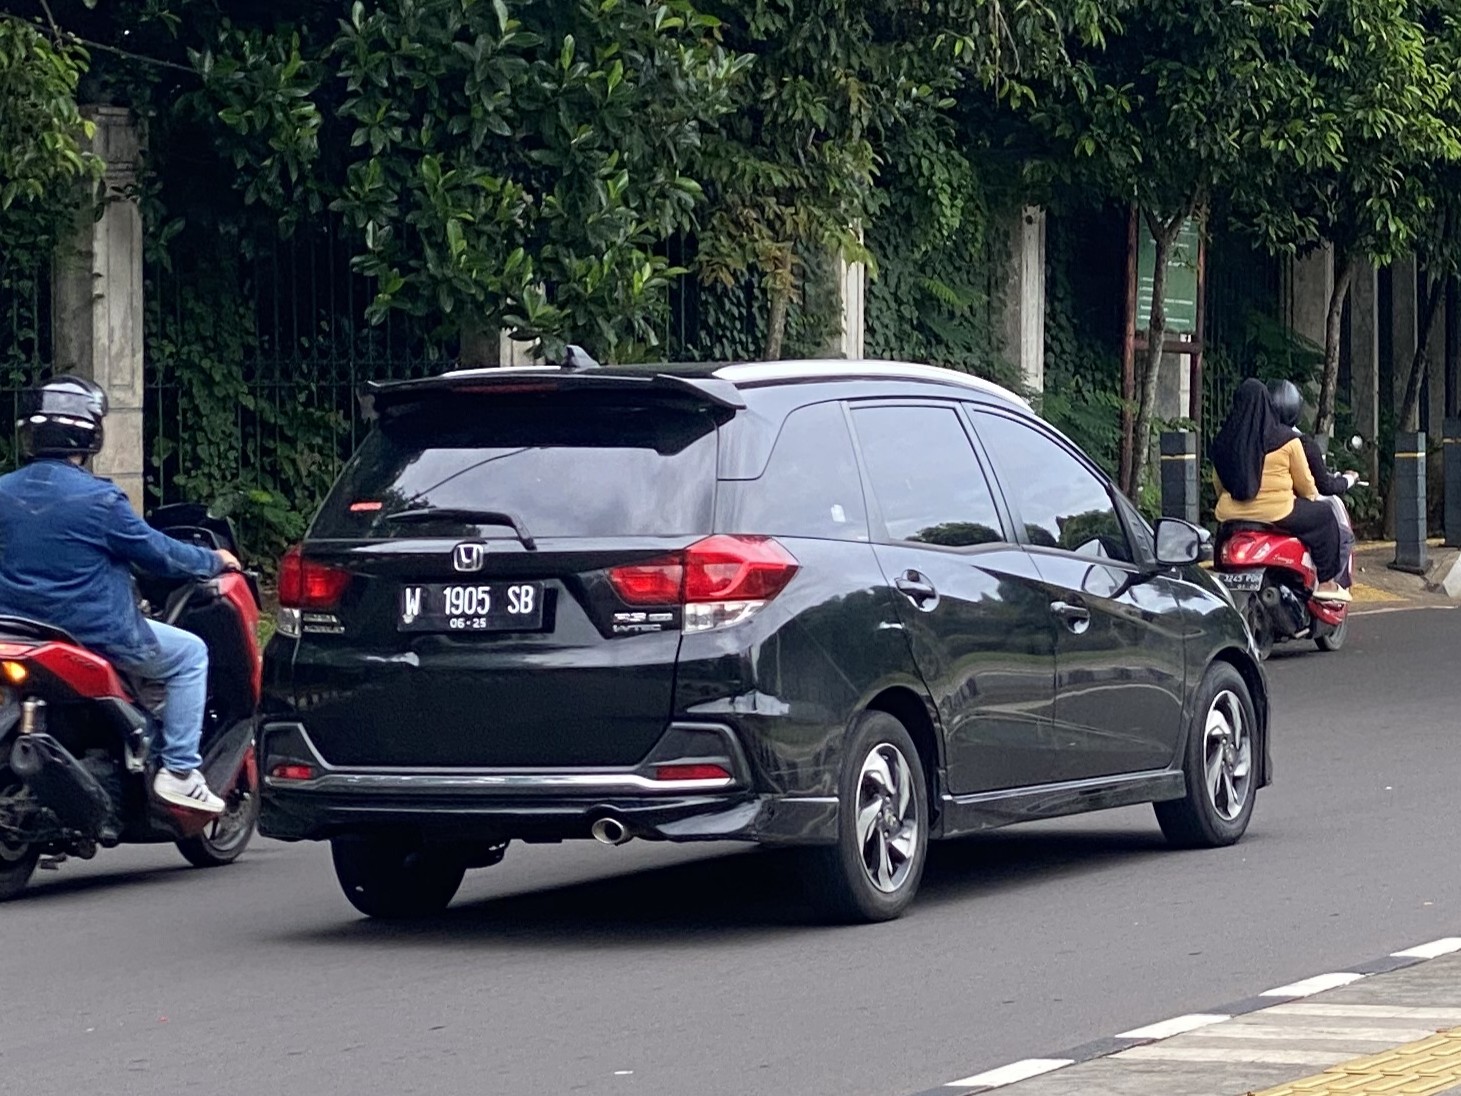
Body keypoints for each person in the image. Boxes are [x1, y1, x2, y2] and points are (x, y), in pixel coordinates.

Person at [0, 376, 238, 813]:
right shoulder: (99, 499)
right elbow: (159, 554)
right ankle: (181, 771)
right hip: (93, 634)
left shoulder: (3, 491)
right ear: (89, 433)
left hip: (13, 631)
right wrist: (213, 561)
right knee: (191, 655)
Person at [1209, 378, 1350, 602]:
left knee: (1220, 542)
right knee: (1325, 517)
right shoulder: (1288, 441)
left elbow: (1218, 485)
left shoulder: (1223, 443)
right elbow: (1306, 487)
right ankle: (1326, 582)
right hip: (1278, 514)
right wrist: (1311, 498)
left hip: (1231, 516)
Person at [1268, 379, 1359, 585]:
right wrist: (1348, 479)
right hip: (1283, 509)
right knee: (1339, 532)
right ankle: (1329, 582)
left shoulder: (1249, 438)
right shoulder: (1297, 443)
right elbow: (1313, 487)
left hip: (1238, 510)